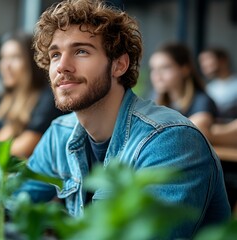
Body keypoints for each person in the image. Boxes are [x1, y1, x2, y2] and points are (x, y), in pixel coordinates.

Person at [17, 0, 231, 239]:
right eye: (55, 54)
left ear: (119, 64)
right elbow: (11, 206)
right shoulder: (59, 134)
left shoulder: (171, 139)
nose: (62, 66)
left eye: (81, 51)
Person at [0, 31, 65, 158]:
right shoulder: (8, 100)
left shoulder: (47, 97)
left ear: (32, 61)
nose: (6, 65)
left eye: (15, 57)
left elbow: (25, 147)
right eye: (3, 58)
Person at [149, 42, 218, 137]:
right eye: (153, 69)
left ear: (185, 69)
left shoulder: (202, 100)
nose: (157, 75)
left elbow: (193, 131)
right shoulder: (154, 98)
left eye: (165, 67)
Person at [198, 47, 237, 119]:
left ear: (223, 60)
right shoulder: (208, 88)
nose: (204, 65)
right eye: (201, 61)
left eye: (208, 59)